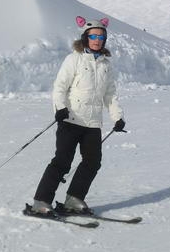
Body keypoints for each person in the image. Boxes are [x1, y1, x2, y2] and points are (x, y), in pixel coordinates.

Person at [30, 16, 125, 216]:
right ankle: (41, 202)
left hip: (92, 123)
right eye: (93, 36)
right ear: (86, 37)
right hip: (70, 119)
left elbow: (110, 94)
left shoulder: (106, 65)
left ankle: (74, 199)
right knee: (62, 162)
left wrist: (117, 117)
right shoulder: (74, 58)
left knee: (93, 162)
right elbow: (60, 87)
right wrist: (60, 108)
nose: (97, 40)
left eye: (101, 36)